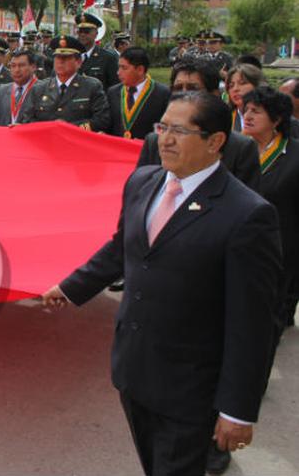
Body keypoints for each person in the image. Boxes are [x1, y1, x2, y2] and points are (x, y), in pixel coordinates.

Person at [42, 91, 282, 476]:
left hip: (191, 386)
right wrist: (71, 287)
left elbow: (252, 323)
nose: (164, 139)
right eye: (162, 127)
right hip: (134, 370)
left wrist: (237, 408)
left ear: (215, 141)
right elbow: (123, 247)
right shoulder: (143, 181)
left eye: (179, 130)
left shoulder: (247, 215)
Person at [138, 59, 261, 192]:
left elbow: (246, 205)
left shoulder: (240, 148)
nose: (184, 95)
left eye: (193, 89)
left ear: (214, 94)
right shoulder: (154, 142)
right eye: (178, 88)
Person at [240, 87, 299, 339]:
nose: (248, 116)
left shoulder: (295, 155)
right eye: (246, 110)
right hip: (240, 244)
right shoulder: (237, 149)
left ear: (276, 120)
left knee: (268, 320)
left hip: (281, 248)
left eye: (257, 111)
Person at [20, 35, 110, 132]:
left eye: (66, 58)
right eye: (57, 57)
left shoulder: (91, 86)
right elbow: (27, 120)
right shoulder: (39, 88)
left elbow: (102, 120)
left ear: (78, 62)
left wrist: (69, 128)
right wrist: (50, 128)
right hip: (46, 142)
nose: (60, 62)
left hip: (77, 142)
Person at [107, 47, 170, 139]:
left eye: (124, 68)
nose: (118, 72)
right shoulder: (113, 92)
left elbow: (164, 126)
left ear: (140, 70)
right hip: (118, 150)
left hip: (146, 150)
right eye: (119, 67)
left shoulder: (162, 93)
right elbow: (109, 124)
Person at [76, 12, 119, 90]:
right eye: (80, 31)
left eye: (86, 31)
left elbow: (115, 89)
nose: (82, 34)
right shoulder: (71, 57)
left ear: (96, 33)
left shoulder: (108, 58)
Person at [0, 49, 38, 126]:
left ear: (33, 67)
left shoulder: (43, 90)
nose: (17, 70)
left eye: (21, 65)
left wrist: (25, 128)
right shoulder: (2, 90)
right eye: (13, 66)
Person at [226, 63, 264, 133]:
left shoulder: (269, 118)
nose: (235, 89)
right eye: (231, 85)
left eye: (242, 83)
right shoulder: (224, 118)